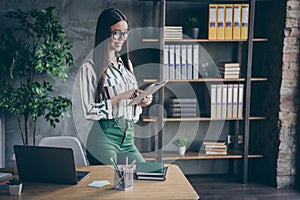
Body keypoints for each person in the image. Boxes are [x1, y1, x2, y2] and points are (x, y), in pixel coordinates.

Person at [79, 8, 152, 165]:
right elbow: (88, 111)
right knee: (111, 185)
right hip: (104, 137)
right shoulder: (90, 68)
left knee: (147, 176)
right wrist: (119, 97)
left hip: (128, 138)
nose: (121, 38)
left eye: (125, 33)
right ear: (105, 35)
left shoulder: (127, 65)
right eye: (116, 33)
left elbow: (129, 104)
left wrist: (140, 101)